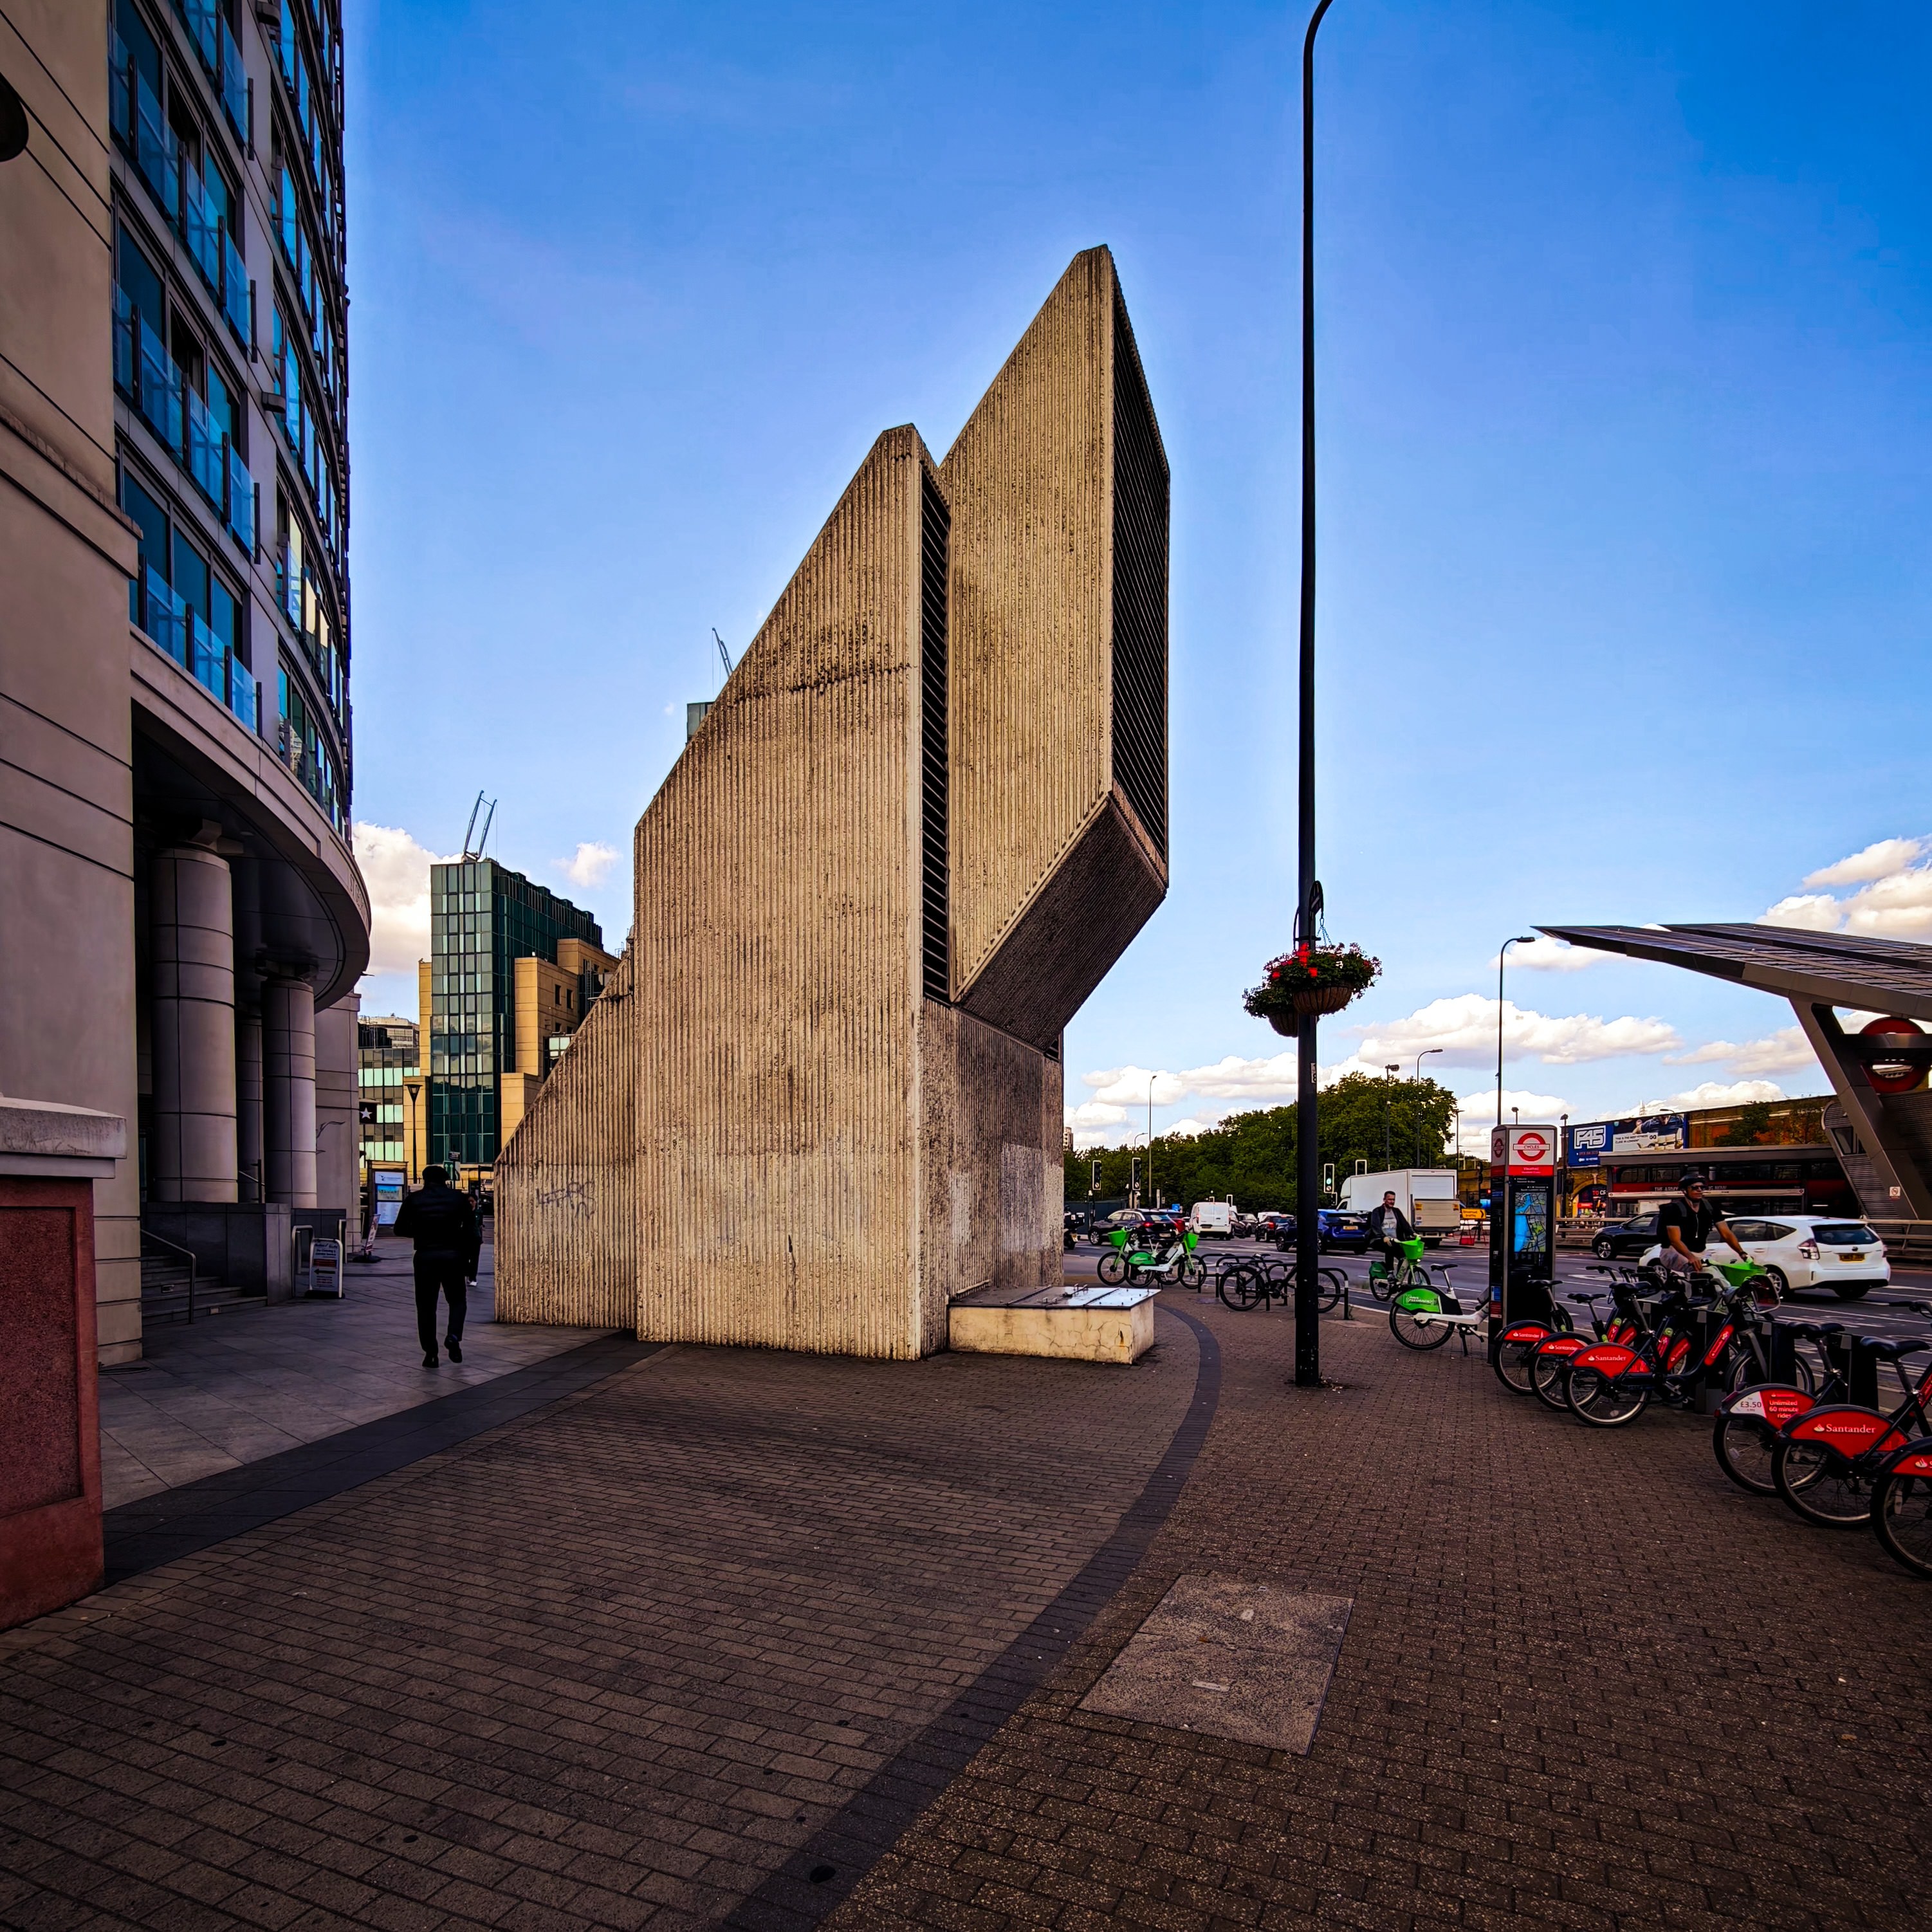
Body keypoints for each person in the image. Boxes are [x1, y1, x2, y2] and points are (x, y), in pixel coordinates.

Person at [394, 1164, 481, 1367]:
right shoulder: (458, 1199)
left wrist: (420, 1232)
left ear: (425, 1179)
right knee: (457, 1301)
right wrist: (469, 1261)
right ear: (445, 1179)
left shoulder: (414, 1200)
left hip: (425, 1257)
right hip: (453, 1256)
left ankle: (431, 1354)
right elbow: (471, 1231)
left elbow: (399, 1229)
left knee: (426, 1307)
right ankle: (453, 1336)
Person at [1655, 1171, 1747, 1283]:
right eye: (1695, 1188)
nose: (1699, 1190)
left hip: (1700, 1252)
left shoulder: (1710, 1208)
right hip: (1673, 1252)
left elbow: (1726, 1234)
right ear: (1684, 1190)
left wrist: (1742, 1253)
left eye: (1702, 1188)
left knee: (1716, 1272)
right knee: (1707, 1273)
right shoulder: (1673, 1209)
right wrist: (1691, 1257)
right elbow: (1675, 1241)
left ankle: (1690, 1290)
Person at [1364, 1190, 1415, 1271]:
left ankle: (1399, 1276)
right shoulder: (1377, 1211)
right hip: (1379, 1239)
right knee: (1389, 1247)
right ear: (1384, 1200)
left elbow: (1404, 1224)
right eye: (1390, 1199)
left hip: (1395, 1240)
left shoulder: (1396, 1211)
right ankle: (1390, 1272)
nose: (1392, 1202)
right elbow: (1375, 1226)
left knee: (1404, 1257)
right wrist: (1383, 1237)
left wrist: (1413, 1233)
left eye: (1393, 1200)